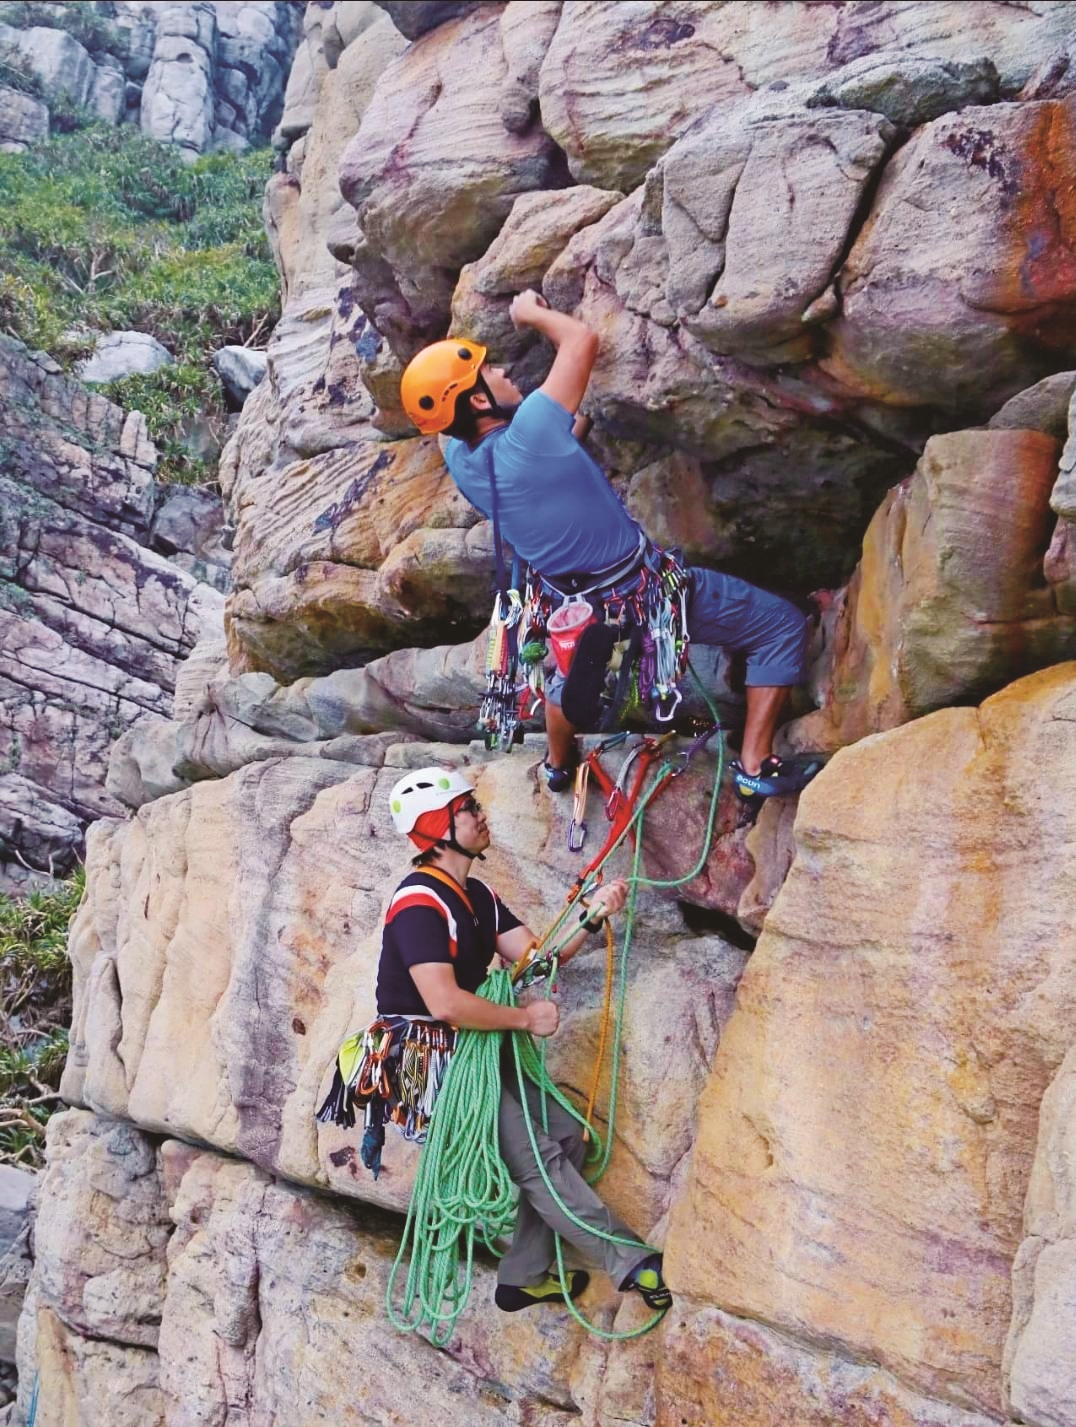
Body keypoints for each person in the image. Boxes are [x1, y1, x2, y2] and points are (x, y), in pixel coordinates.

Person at [399, 295, 818, 801]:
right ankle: (754, 764)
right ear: (480, 401)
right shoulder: (531, 430)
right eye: (491, 370)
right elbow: (581, 340)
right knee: (780, 625)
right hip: (643, 591)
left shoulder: (463, 460)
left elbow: (550, 451)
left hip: (571, 606)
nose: (504, 370)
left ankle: (557, 764)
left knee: (565, 683)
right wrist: (529, 314)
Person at [379, 764, 671, 1316]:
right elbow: (443, 1002)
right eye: (469, 809)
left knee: (569, 1138)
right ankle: (630, 1261)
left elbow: (540, 962)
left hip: (473, 1049)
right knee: (538, 1158)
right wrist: (522, 1021)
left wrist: (590, 917)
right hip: (428, 1060)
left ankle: (523, 1277)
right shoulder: (418, 904)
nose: (481, 815)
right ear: (438, 825)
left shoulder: (477, 897)